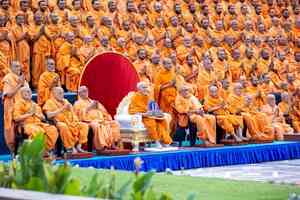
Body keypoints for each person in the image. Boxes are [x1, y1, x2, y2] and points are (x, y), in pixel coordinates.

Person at [13, 87, 58, 155]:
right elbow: (16, 118)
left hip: (39, 123)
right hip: (26, 125)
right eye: (27, 91)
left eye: (30, 91)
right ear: (21, 94)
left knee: (53, 130)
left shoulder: (35, 104)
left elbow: (43, 118)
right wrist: (29, 114)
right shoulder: (19, 103)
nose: (29, 93)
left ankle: (47, 149)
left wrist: (37, 114)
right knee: (38, 131)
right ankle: (37, 152)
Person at [43, 87, 89, 153]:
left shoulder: (65, 101)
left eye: (62, 93)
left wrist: (71, 110)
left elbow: (72, 112)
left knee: (84, 125)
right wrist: (62, 108)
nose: (62, 95)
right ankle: (70, 147)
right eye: (59, 93)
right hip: (58, 122)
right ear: (53, 94)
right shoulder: (49, 102)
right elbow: (48, 115)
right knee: (63, 127)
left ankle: (79, 146)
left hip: (70, 121)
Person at [74, 86, 120, 150]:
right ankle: (102, 146)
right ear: (79, 93)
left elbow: (104, 112)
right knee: (97, 126)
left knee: (114, 123)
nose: (86, 92)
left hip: (100, 120)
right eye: (84, 91)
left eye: (87, 90)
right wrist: (89, 108)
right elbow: (77, 116)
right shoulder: (77, 103)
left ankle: (113, 143)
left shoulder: (93, 101)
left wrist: (98, 108)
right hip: (89, 121)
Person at [128, 82, 172, 147]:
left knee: (163, 122)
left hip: (152, 115)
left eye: (147, 87)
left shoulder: (149, 96)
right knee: (151, 122)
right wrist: (144, 114)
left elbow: (154, 107)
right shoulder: (135, 97)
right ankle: (156, 141)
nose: (146, 89)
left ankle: (165, 141)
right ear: (139, 89)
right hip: (143, 116)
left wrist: (157, 113)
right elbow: (132, 110)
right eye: (144, 87)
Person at [2, 61, 29, 152]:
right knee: (12, 132)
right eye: (16, 66)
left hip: (22, 108)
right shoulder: (8, 78)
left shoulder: (23, 80)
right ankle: (13, 153)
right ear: (11, 68)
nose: (18, 68)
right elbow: (8, 94)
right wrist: (19, 85)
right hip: (11, 107)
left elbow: (28, 95)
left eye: (19, 66)